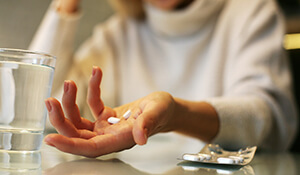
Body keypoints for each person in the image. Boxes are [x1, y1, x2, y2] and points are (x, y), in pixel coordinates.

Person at [29, 0, 298, 157]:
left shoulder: (250, 11)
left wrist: (176, 115)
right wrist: (65, 6)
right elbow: (34, 102)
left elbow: (266, 117)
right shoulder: (119, 33)